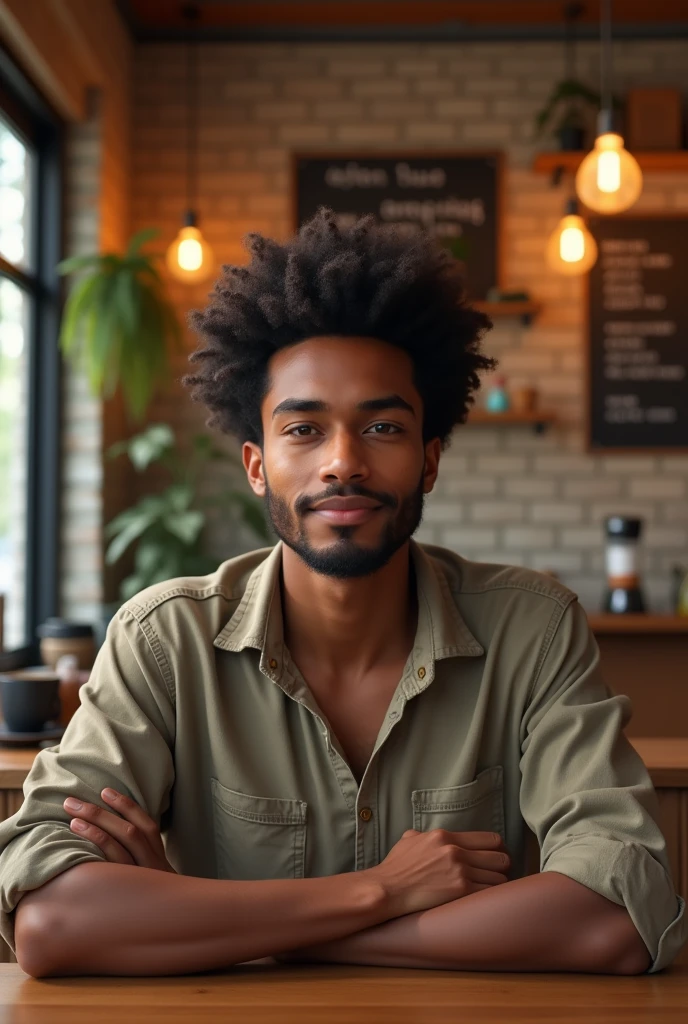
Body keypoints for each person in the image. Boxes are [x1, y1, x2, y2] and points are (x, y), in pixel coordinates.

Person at [0, 208, 685, 978]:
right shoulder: (165, 639)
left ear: (429, 462)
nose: (343, 464)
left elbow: (619, 915)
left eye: (382, 428)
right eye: (304, 430)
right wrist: (382, 891)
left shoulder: (533, 629)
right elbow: (54, 922)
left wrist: (203, 917)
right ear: (257, 466)